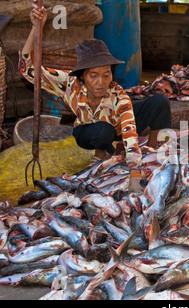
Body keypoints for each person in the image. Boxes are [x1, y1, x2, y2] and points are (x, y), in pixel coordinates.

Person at [19, 0, 171, 193]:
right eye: (93, 75)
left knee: (160, 101)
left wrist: (135, 174)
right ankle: (100, 152)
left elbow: (130, 133)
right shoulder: (70, 84)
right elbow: (27, 70)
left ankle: (152, 145)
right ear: (82, 77)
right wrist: (36, 27)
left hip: (118, 127)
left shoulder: (119, 96)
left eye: (106, 74)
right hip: (87, 132)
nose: (101, 81)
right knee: (102, 130)